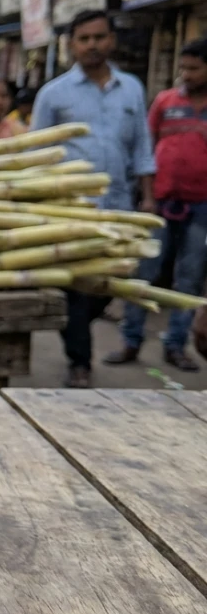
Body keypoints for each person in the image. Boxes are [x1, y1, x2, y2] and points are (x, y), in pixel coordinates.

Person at [31, 9, 156, 388]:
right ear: (71, 44)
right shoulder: (53, 94)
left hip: (120, 206)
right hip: (72, 207)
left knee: (107, 285)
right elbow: (36, 153)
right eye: (83, 39)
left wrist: (148, 197)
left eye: (99, 37)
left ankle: (75, 332)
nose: (92, 45)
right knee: (74, 287)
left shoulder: (131, 89)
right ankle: (80, 361)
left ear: (112, 40)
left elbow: (142, 146)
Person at [104, 37, 207, 372]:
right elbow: (144, 151)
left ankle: (176, 345)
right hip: (160, 201)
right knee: (144, 273)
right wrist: (147, 196)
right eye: (184, 67)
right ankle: (130, 340)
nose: (187, 74)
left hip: (202, 206)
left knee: (189, 278)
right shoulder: (165, 101)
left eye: (194, 68)